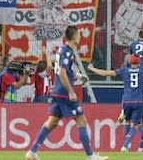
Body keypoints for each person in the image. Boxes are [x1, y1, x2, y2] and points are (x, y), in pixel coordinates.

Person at [25, 26, 108, 160]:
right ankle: (90, 156)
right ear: (74, 37)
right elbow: (62, 73)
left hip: (57, 92)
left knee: (51, 122)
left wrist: (79, 76)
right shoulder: (67, 52)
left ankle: (32, 152)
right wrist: (71, 91)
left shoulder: (63, 51)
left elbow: (65, 70)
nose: (80, 37)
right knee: (81, 121)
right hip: (64, 92)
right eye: (79, 35)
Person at [87, 55, 143, 153]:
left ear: (130, 62)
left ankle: (126, 145)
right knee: (135, 125)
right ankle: (127, 146)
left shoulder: (124, 70)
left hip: (126, 101)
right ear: (140, 62)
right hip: (139, 101)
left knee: (127, 122)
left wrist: (92, 68)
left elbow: (105, 73)